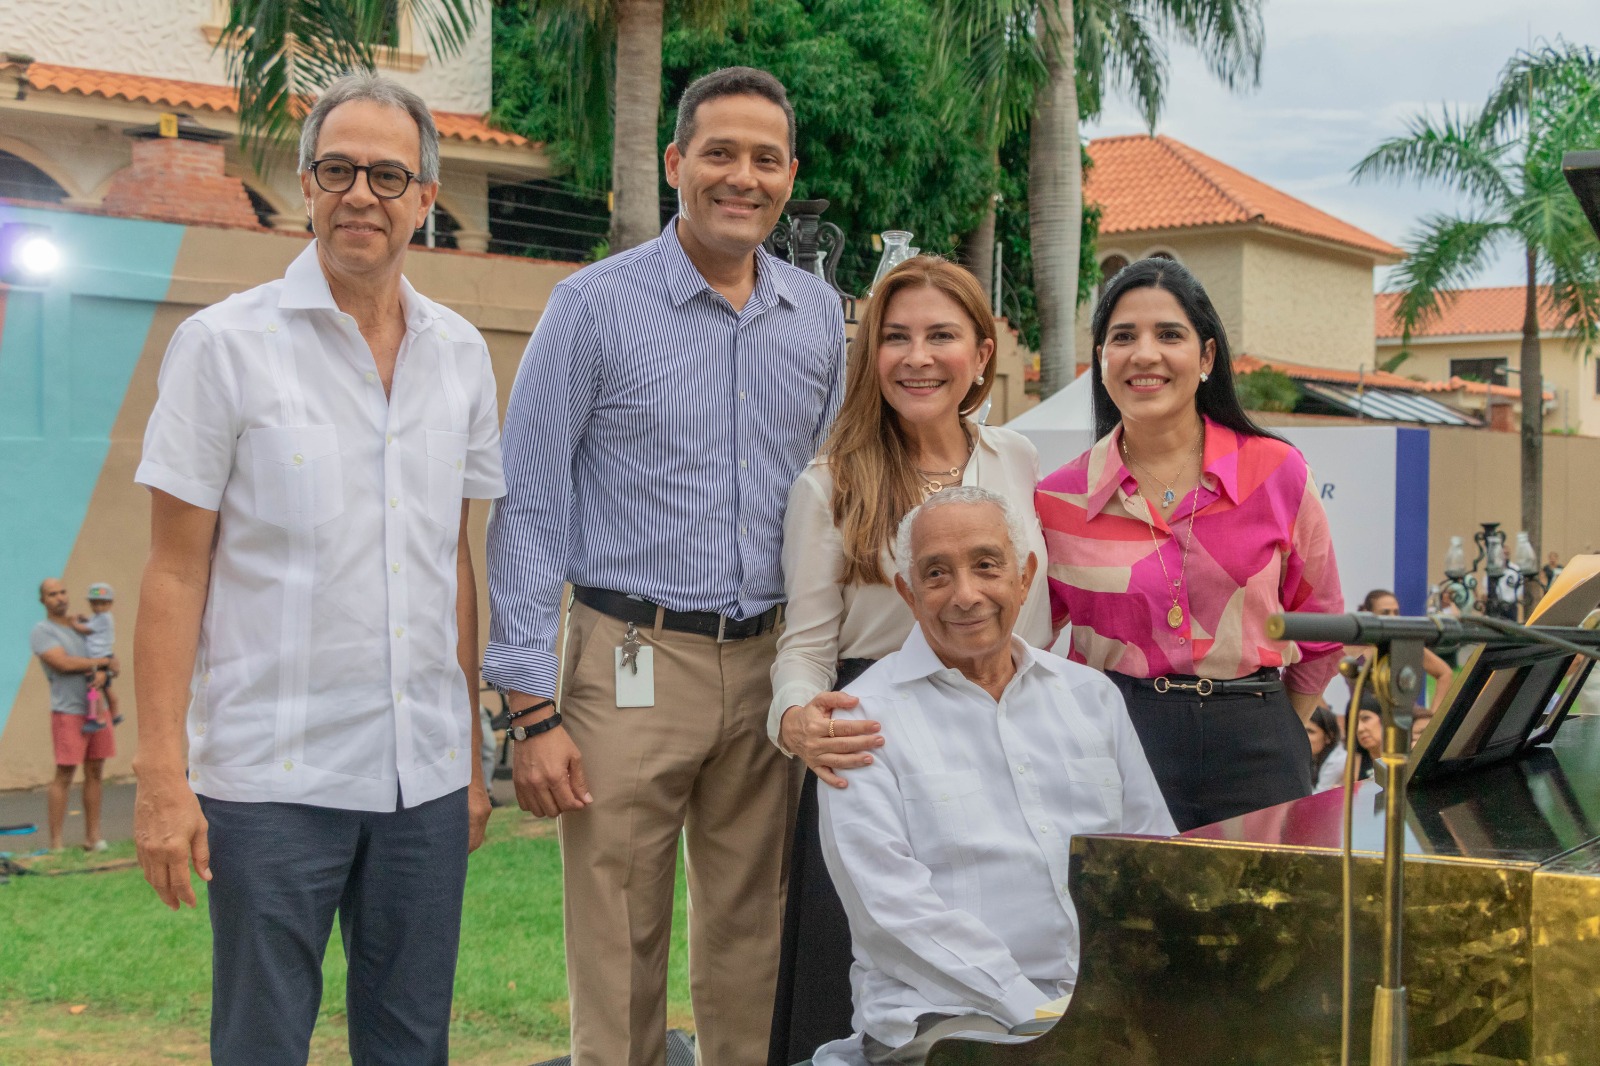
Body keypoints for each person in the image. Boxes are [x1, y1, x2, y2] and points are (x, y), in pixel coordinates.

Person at [131, 73, 505, 1065]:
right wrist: (162, 776)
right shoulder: (222, 348)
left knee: (411, 1045)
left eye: (389, 175)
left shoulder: (460, 356)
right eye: (337, 170)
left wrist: (468, 758)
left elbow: (450, 569)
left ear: (426, 198)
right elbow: (173, 575)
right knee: (259, 1043)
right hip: (270, 782)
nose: (361, 195)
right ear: (304, 185)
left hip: (421, 778)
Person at [483, 66, 845, 1066]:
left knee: (752, 932)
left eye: (764, 159)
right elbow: (529, 499)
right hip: (628, 660)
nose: (742, 177)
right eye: (719, 153)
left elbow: (826, 495)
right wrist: (528, 707)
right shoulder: (591, 308)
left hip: (769, 662)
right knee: (618, 930)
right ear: (676, 161)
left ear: (789, 175)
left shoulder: (817, 316)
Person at [766, 255, 1051, 1063]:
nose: (917, 356)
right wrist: (796, 719)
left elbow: (1037, 615)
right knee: (871, 1001)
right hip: (878, 752)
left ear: (982, 354)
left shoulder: (1018, 459)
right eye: (895, 338)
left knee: (1003, 983)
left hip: (1001, 743)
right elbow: (806, 646)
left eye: (940, 335)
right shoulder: (829, 484)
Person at [813, 487, 1175, 1066]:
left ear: (1025, 575)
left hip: (1105, 1013)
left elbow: (1154, 860)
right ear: (908, 592)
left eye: (987, 565)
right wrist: (1041, 1015)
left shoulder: (1091, 698)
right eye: (936, 574)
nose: (966, 595)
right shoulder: (860, 720)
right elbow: (893, 914)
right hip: (948, 1024)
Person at [1036, 257, 1344, 832]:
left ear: (1206, 357)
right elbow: (1026, 649)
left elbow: (1321, 624)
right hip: (1112, 744)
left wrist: (1274, 721)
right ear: (1101, 359)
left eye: (1169, 335)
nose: (1144, 354)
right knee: (1130, 920)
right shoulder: (1056, 500)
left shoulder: (1277, 472)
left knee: (1263, 919)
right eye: (1122, 337)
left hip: (1259, 745)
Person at [31, 578, 117, 851]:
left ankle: (93, 838)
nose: (59, 597)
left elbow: (112, 662)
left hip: (96, 711)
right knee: (65, 774)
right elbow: (63, 663)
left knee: (95, 772)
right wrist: (102, 663)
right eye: (52, 594)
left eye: (63, 592)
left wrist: (106, 670)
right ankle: (56, 844)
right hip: (68, 712)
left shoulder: (86, 627)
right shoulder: (42, 631)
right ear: (43, 600)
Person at [1348, 589, 1453, 716]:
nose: (1392, 618)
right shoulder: (1352, 646)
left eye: (1396, 612)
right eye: (1385, 613)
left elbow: (1445, 674)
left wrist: (1433, 718)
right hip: (1366, 723)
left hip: (1404, 722)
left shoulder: (1404, 643)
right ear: (1368, 613)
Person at [71, 582, 120, 730]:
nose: (97, 607)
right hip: (104, 655)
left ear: (110, 603)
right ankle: (115, 714)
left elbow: (86, 630)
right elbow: (92, 624)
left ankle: (98, 719)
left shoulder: (104, 618)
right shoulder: (101, 617)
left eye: (102, 604)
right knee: (106, 688)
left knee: (94, 688)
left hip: (98, 658)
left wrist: (73, 623)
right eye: (94, 603)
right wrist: (86, 619)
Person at [1306, 704, 1346, 792]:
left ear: (1328, 737)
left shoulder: (1337, 761)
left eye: (1310, 732)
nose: (1303, 737)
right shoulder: (1313, 758)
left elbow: (1317, 797)